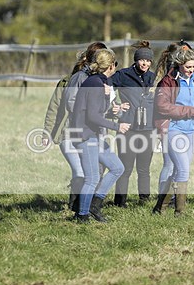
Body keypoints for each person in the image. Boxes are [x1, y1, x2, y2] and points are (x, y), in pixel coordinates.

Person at [69, 48, 129, 223]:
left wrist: (107, 100)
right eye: (115, 64)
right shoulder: (95, 83)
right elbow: (93, 116)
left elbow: (96, 111)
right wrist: (117, 126)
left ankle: (95, 205)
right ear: (110, 66)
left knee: (117, 167)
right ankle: (82, 215)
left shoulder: (97, 82)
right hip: (85, 136)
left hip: (92, 135)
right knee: (92, 177)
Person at [153, 44, 194, 216]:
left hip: (190, 130)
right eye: (188, 67)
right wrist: (189, 111)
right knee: (183, 169)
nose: (191, 70)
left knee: (179, 171)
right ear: (179, 64)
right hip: (172, 129)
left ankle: (159, 207)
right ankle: (179, 211)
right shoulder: (168, 81)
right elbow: (162, 106)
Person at [58, 42, 110, 214]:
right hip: (82, 131)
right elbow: (72, 102)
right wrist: (88, 115)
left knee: (99, 170)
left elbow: (100, 108)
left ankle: (89, 206)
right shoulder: (80, 78)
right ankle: (79, 208)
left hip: (96, 130)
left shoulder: (100, 80)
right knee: (86, 173)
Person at [110, 40, 156, 207]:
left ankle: (144, 201)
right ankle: (119, 202)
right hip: (127, 128)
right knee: (125, 168)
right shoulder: (123, 75)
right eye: (142, 60)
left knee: (144, 169)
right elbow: (104, 88)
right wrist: (114, 105)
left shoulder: (153, 78)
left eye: (149, 60)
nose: (145, 63)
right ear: (136, 60)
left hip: (148, 129)